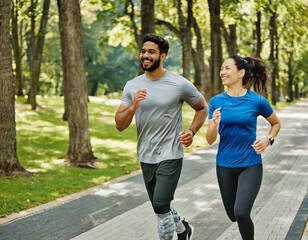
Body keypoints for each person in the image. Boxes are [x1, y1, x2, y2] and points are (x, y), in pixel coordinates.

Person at [115, 33, 208, 240]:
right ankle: (184, 230)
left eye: (151, 52)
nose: (145, 55)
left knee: (160, 204)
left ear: (162, 56)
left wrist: (191, 131)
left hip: (171, 152)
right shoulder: (132, 85)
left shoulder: (178, 83)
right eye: (143, 51)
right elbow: (120, 124)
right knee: (161, 209)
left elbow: (202, 107)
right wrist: (133, 107)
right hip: (145, 154)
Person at [206, 55, 281, 240]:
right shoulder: (216, 101)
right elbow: (209, 140)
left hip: (250, 163)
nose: (222, 72)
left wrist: (268, 140)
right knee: (233, 215)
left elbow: (276, 124)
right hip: (224, 165)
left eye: (227, 68)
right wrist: (214, 124)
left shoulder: (257, 101)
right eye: (221, 68)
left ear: (241, 73)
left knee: (241, 212)